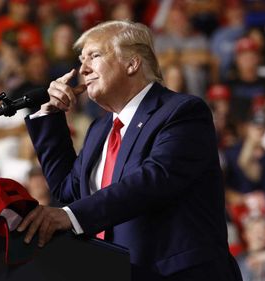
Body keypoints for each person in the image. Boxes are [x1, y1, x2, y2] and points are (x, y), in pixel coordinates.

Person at [18, 20, 242, 280]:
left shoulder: (182, 112)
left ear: (132, 63)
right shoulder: (99, 130)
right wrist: (51, 116)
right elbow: (67, 191)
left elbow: (154, 179)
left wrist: (71, 216)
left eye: (94, 56)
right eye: (81, 59)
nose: (83, 68)